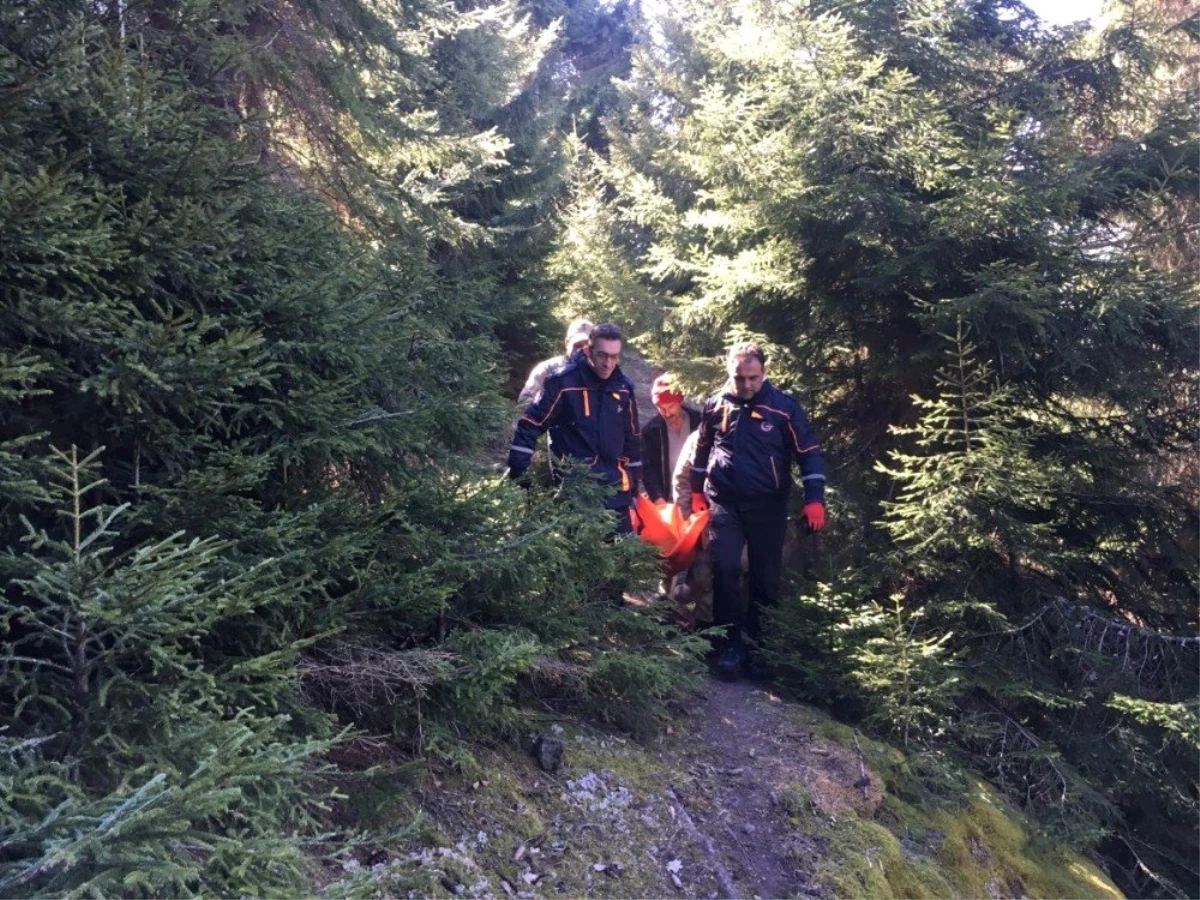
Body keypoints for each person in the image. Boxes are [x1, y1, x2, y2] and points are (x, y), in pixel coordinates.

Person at [690, 341, 826, 678]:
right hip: (725, 502)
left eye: (753, 377)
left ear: (763, 373)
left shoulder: (783, 408)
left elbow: (809, 452)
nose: (746, 384)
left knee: (766, 577)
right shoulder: (715, 404)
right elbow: (703, 449)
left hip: (768, 505)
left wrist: (814, 499)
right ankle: (729, 644)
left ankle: (760, 646)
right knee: (726, 570)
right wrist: (696, 492)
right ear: (730, 374)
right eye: (740, 377)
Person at [506, 323, 642, 533]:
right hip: (574, 487)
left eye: (614, 357)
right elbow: (531, 422)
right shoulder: (562, 382)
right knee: (575, 553)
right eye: (602, 355)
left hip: (615, 487)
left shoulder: (624, 387)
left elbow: (631, 436)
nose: (608, 363)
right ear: (588, 351)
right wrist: (519, 465)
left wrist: (634, 478)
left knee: (623, 554)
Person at [641, 373, 701, 506]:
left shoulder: (699, 423)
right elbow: (648, 469)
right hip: (667, 501)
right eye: (661, 408)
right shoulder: (651, 431)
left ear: (680, 401)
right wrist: (657, 498)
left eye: (671, 406)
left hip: (698, 499)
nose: (667, 413)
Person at [518, 318, 594, 406]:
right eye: (578, 345)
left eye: (587, 346)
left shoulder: (600, 372)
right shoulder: (547, 369)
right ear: (567, 342)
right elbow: (525, 401)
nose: (582, 350)